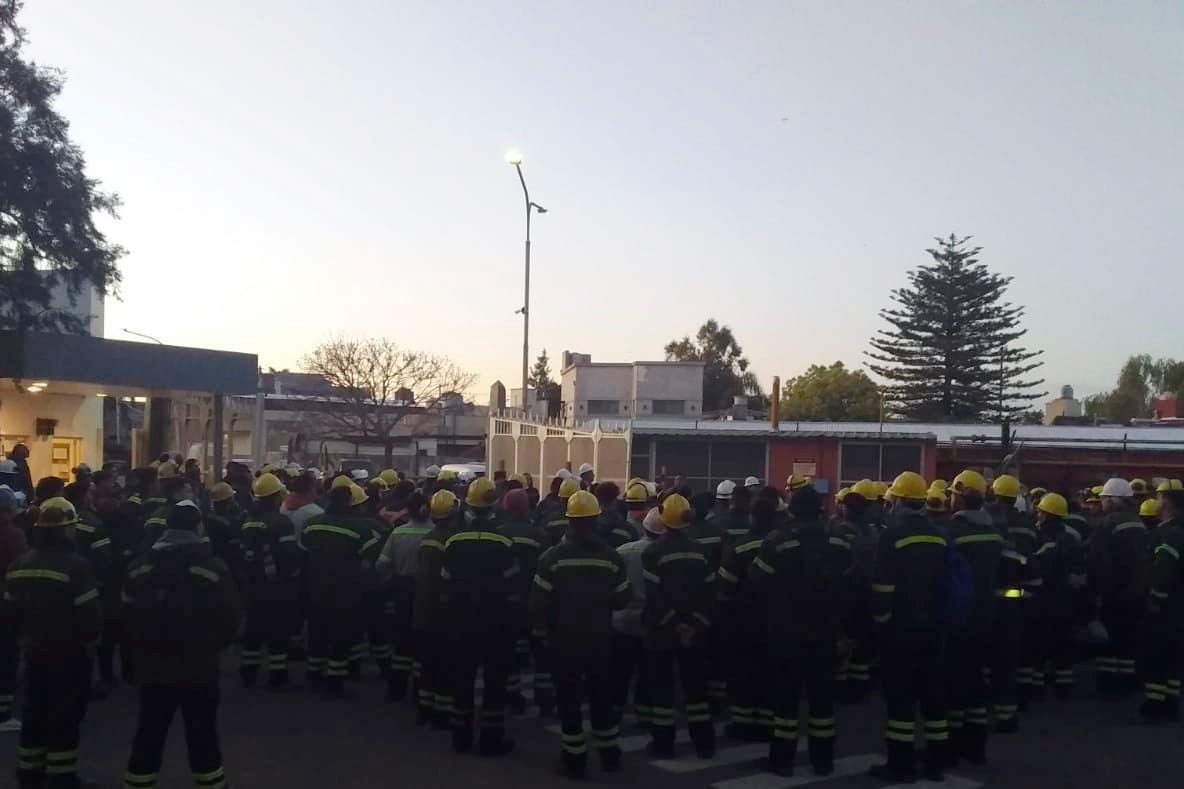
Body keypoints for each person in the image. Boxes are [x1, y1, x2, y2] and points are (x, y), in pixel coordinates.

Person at [121, 500, 241, 789]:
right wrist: (212, 648)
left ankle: (138, 783)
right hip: (199, 666)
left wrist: (136, 654)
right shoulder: (213, 568)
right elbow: (230, 618)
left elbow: (125, 617)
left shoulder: (139, 568)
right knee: (202, 733)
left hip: (153, 666)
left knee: (149, 731)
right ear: (198, 527)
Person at [750, 485, 853, 777]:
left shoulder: (778, 540)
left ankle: (781, 761)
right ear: (820, 509)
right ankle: (823, 761)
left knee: (786, 701)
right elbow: (851, 582)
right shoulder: (839, 541)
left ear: (792, 510)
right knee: (822, 702)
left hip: (787, 633)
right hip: (826, 632)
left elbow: (756, 578)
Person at [2, 497, 102, 789]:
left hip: (33, 652)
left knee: (34, 714)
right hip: (69, 654)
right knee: (64, 717)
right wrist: (89, 644)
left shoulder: (20, 565)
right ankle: (62, 776)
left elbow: (9, 615)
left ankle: (28, 773)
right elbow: (91, 619)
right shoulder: (77, 567)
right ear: (67, 529)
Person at [531, 490, 631, 779]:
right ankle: (610, 755)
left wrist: (542, 632)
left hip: (564, 643)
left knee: (569, 701)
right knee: (601, 698)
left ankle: (574, 761)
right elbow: (623, 599)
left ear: (569, 521)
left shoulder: (552, 558)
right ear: (596, 520)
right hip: (600, 641)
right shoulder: (611, 558)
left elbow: (538, 604)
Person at [869, 472, 950, 783]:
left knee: (901, 701)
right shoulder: (940, 534)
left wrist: (880, 622)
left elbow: (882, 588)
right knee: (933, 698)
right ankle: (936, 763)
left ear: (900, 502)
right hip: (935, 627)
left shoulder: (892, 536)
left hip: (901, 631)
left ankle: (900, 765)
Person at [945, 470, 1026, 766]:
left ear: (961, 495)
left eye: (953, 494)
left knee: (955, 684)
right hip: (990, 619)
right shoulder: (996, 533)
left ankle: (953, 747)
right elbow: (1012, 575)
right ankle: (976, 747)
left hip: (959, 619)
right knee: (977, 682)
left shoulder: (952, 532)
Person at [442, 477, 518, 756]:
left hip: (461, 620)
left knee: (462, 676)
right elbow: (512, 583)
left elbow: (445, 582)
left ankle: (460, 735)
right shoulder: (504, 541)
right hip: (495, 621)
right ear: (494, 505)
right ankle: (491, 737)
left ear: (469, 507)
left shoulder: (453, 541)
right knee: (494, 681)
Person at [644, 493, 716, 759]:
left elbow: (655, 597)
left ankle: (663, 745)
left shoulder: (653, 552)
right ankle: (704, 744)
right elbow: (710, 593)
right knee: (696, 689)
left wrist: (674, 623)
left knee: (662, 692)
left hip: (663, 631)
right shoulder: (701, 551)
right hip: (694, 632)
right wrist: (693, 625)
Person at [300, 483, 380, 695]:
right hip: (345, 591)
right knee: (340, 635)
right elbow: (372, 559)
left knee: (317, 632)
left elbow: (303, 551)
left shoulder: (311, 525)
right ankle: (335, 681)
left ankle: (313, 674)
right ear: (350, 503)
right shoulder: (360, 529)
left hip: (315, 587)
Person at [717, 489, 776, 740]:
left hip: (742, 617)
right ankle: (766, 722)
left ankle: (742, 723)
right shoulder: (783, 544)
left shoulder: (739, 546)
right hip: (775, 618)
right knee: (768, 671)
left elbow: (725, 587)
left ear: (753, 518)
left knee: (742, 671)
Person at [1088, 478, 1151, 697]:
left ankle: (1108, 685)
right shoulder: (1138, 523)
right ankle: (1127, 683)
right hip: (1137, 593)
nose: (1101, 502)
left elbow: (1098, 561)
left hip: (1113, 593)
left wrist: (1097, 592)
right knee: (1128, 640)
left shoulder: (1107, 524)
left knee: (1110, 640)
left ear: (1112, 500)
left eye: (1103, 498)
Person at [238, 473, 301, 688]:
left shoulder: (249, 521)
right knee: (277, 631)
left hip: (252, 585)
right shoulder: (281, 523)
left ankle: (248, 672)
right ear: (275, 497)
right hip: (276, 586)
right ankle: (277, 674)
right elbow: (289, 554)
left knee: (253, 630)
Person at [1027, 493, 1087, 708]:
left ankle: (1036, 688)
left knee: (1038, 648)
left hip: (1042, 602)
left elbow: (1032, 569)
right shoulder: (1071, 538)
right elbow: (1080, 576)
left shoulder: (1039, 537)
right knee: (1064, 649)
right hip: (1066, 603)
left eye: (1040, 511)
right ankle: (1064, 689)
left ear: (1046, 514)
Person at [827, 479, 881, 702]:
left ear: (846, 508)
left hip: (846, 595)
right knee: (862, 644)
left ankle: (840, 688)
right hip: (869, 595)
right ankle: (860, 687)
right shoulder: (872, 533)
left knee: (842, 642)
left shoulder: (841, 533)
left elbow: (833, 568)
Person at [376, 491, 433, 702]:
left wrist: (391, 580)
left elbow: (382, 564)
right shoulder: (435, 534)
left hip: (401, 590)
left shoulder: (398, 533)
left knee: (401, 642)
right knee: (423, 643)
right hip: (426, 593)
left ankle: (396, 689)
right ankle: (420, 690)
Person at [496, 488, 548, 715]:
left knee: (510, 652)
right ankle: (545, 699)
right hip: (535, 599)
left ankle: (512, 696)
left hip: (508, 602)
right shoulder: (539, 535)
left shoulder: (498, 534)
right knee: (541, 653)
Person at [612, 506, 663, 731]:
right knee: (647, 671)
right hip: (650, 621)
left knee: (620, 670)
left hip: (622, 618)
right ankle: (644, 715)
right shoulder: (664, 555)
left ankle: (615, 710)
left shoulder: (623, 550)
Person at [414, 490, 459, 726]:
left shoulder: (427, 539)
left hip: (423, 609)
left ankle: (424, 707)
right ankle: (441, 712)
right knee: (445, 665)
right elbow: (450, 579)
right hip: (443, 612)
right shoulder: (452, 540)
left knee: (427, 662)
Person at [1139, 488, 1184, 724]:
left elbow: (1163, 569)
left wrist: (1155, 597)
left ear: (1167, 504)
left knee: (1156, 655)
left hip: (1165, 607)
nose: (1155, 503)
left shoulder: (1167, 534)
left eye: (1158, 499)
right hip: (1179, 606)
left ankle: (1153, 707)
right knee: (1174, 658)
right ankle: (1171, 703)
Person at [0, 486, 27, 733]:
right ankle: (4, 713)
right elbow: (20, 569)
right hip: (6, 604)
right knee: (7, 657)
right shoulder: (13, 535)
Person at [279, 472, 323, 546]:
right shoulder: (315, 513)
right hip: (304, 553)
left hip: (283, 552)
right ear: (311, 489)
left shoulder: (283, 506)